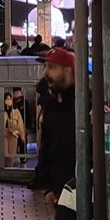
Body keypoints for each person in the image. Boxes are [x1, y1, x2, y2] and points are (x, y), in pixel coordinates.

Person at [32, 49, 76, 204]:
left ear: (68, 70)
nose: (45, 73)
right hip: (58, 190)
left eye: (51, 67)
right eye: (46, 67)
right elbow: (47, 144)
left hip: (80, 190)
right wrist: (48, 187)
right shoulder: (51, 103)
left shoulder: (86, 104)